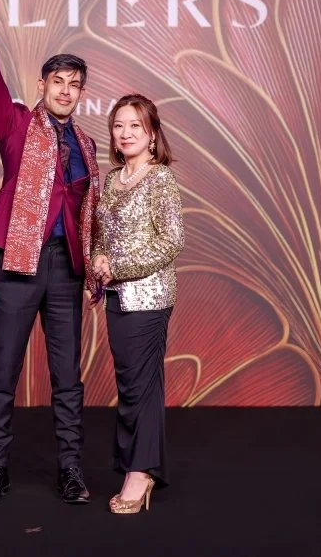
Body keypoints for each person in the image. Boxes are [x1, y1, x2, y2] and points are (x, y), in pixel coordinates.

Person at [0, 0, 100, 505]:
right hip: (17, 263)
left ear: (81, 93)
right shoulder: (17, 122)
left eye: (74, 85)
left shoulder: (87, 144)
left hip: (65, 268)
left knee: (67, 376)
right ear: (42, 85)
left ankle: (71, 471)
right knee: (4, 369)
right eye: (58, 82)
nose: (65, 91)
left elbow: (87, 211)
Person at [91, 94, 185, 515]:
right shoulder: (113, 179)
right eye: (119, 125)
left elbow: (171, 241)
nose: (126, 133)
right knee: (133, 385)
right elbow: (100, 234)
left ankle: (140, 471)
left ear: (152, 134)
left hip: (149, 296)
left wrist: (119, 267)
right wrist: (98, 258)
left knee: (139, 386)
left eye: (135, 126)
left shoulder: (159, 178)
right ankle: (144, 464)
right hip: (117, 296)